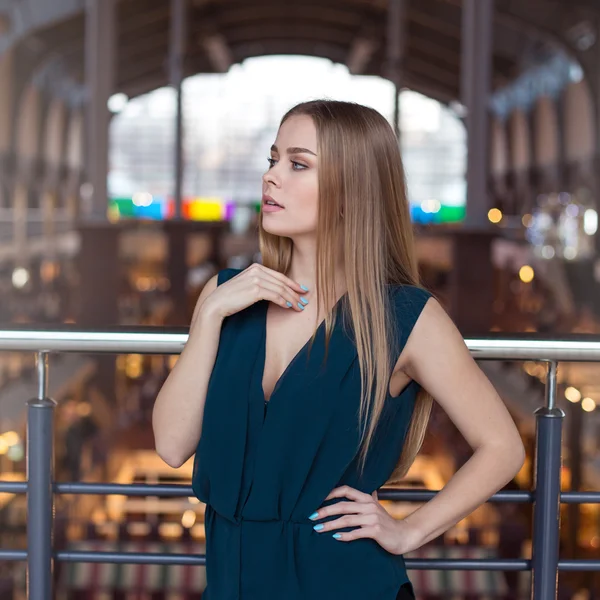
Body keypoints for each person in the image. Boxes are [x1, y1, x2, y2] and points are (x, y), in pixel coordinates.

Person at [152, 99, 525, 600]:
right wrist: (209, 315)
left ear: (353, 192)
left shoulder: (403, 317)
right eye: (272, 159)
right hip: (231, 582)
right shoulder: (228, 296)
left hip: (346, 581)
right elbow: (172, 445)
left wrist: (409, 530)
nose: (271, 177)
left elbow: (503, 447)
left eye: (298, 164)